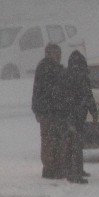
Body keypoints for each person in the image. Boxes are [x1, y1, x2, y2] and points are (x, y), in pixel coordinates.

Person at [31, 43, 69, 179]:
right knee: (50, 141)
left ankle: (56, 167)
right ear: (49, 54)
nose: (59, 56)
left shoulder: (55, 69)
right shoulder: (47, 69)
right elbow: (42, 91)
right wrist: (39, 110)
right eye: (56, 53)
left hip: (55, 112)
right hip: (49, 112)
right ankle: (51, 168)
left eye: (59, 54)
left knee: (56, 140)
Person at [63, 50, 98, 184]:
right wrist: (93, 112)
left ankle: (72, 170)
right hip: (77, 115)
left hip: (69, 114)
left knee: (71, 144)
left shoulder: (66, 76)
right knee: (76, 145)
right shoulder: (82, 77)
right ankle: (75, 172)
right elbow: (88, 95)